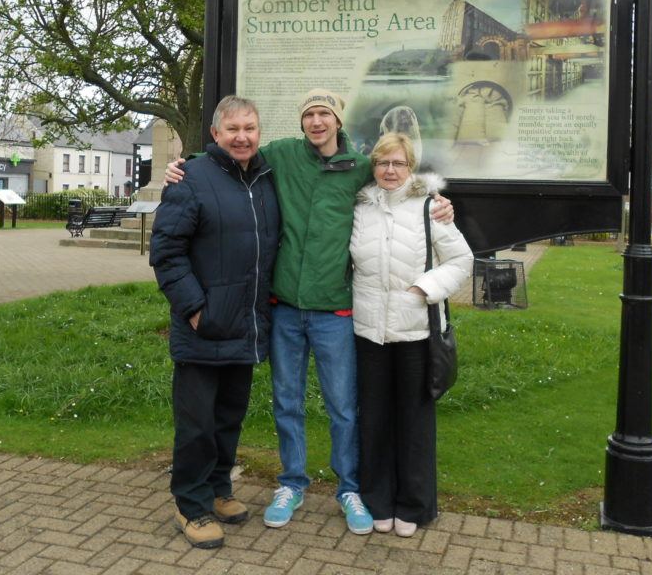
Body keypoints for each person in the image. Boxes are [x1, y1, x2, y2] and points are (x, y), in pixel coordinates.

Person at [164, 89, 454, 535]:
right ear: (301, 122)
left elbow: (396, 186)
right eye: (310, 114)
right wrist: (185, 164)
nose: (317, 122)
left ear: (338, 121)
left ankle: (349, 488)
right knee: (287, 403)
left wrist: (434, 201)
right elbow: (228, 155)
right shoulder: (279, 156)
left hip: (334, 312)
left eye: (326, 114)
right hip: (283, 310)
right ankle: (291, 483)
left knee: (342, 407)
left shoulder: (361, 167)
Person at [149, 95, 280, 549]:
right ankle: (191, 506)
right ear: (216, 134)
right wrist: (194, 308)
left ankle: (219, 489)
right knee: (197, 423)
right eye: (233, 129)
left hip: (245, 324)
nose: (242, 137)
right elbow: (166, 252)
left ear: (258, 133)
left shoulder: (264, 179)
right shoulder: (191, 178)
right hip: (204, 326)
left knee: (228, 417)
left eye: (250, 128)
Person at [349, 132, 473, 537]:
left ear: (411, 166)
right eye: (383, 162)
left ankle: (414, 505)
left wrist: (426, 288)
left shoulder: (430, 209)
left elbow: (461, 259)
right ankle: (377, 501)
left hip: (416, 332)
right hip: (368, 333)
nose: (389, 170)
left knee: (414, 422)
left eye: (398, 163)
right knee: (375, 420)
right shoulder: (360, 205)